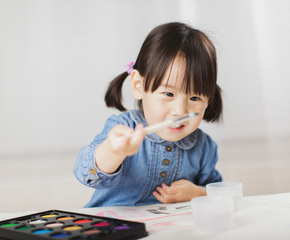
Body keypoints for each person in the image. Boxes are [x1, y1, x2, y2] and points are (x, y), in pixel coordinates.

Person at [74, 22, 223, 207]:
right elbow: (86, 174)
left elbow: (221, 193)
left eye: (194, 97)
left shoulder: (204, 147)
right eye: (168, 94)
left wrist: (197, 193)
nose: (180, 111)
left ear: (208, 99)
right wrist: (114, 152)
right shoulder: (122, 128)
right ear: (138, 86)